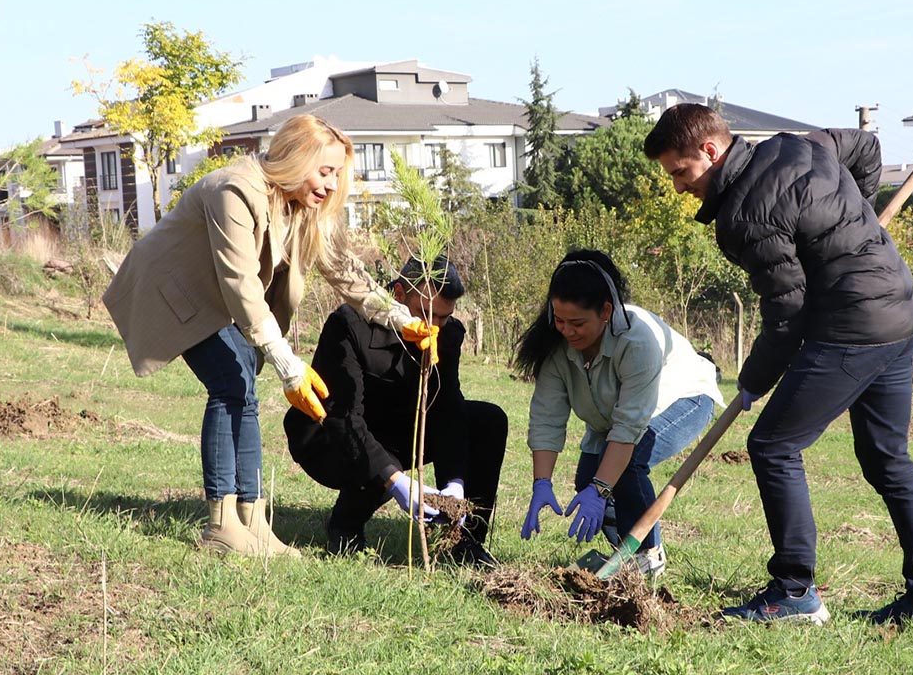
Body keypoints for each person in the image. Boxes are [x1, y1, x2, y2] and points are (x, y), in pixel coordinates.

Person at [644, 103, 913, 633]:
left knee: (772, 446)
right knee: (888, 460)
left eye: (680, 172)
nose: (679, 187)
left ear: (710, 150)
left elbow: (787, 317)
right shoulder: (797, 144)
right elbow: (865, 148)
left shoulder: (743, 216)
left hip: (854, 327)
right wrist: (854, 216)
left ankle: (795, 592)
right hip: (901, 312)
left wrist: (751, 382)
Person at [102, 115, 437, 557]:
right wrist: (289, 365)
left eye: (337, 174)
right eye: (325, 171)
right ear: (297, 158)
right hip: (175, 290)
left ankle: (253, 519)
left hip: (224, 299)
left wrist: (397, 317)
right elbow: (240, 282)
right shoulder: (235, 190)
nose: (332, 184)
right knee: (229, 385)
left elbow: (343, 270)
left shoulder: (305, 206)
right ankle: (221, 525)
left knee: (246, 393)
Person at [283, 254, 508, 567]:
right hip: (327, 440)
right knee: (382, 447)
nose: (435, 327)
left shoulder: (447, 333)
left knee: (487, 420)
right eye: (426, 315)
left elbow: (447, 408)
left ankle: (462, 540)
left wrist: (456, 481)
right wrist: (396, 481)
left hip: (398, 427)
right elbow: (343, 417)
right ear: (399, 295)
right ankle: (345, 525)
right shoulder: (350, 324)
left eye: (444, 318)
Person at [516, 249, 723, 576]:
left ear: (606, 312)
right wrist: (542, 482)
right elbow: (546, 418)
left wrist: (601, 490)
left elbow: (628, 430)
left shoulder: (636, 341)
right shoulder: (557, 348)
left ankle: (646, 557)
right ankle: (623, 557)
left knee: (624, 469)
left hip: (685, 397)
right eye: (559, 320)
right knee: (588, 477)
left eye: (578, 323)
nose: (567, 331)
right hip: (617, 414)